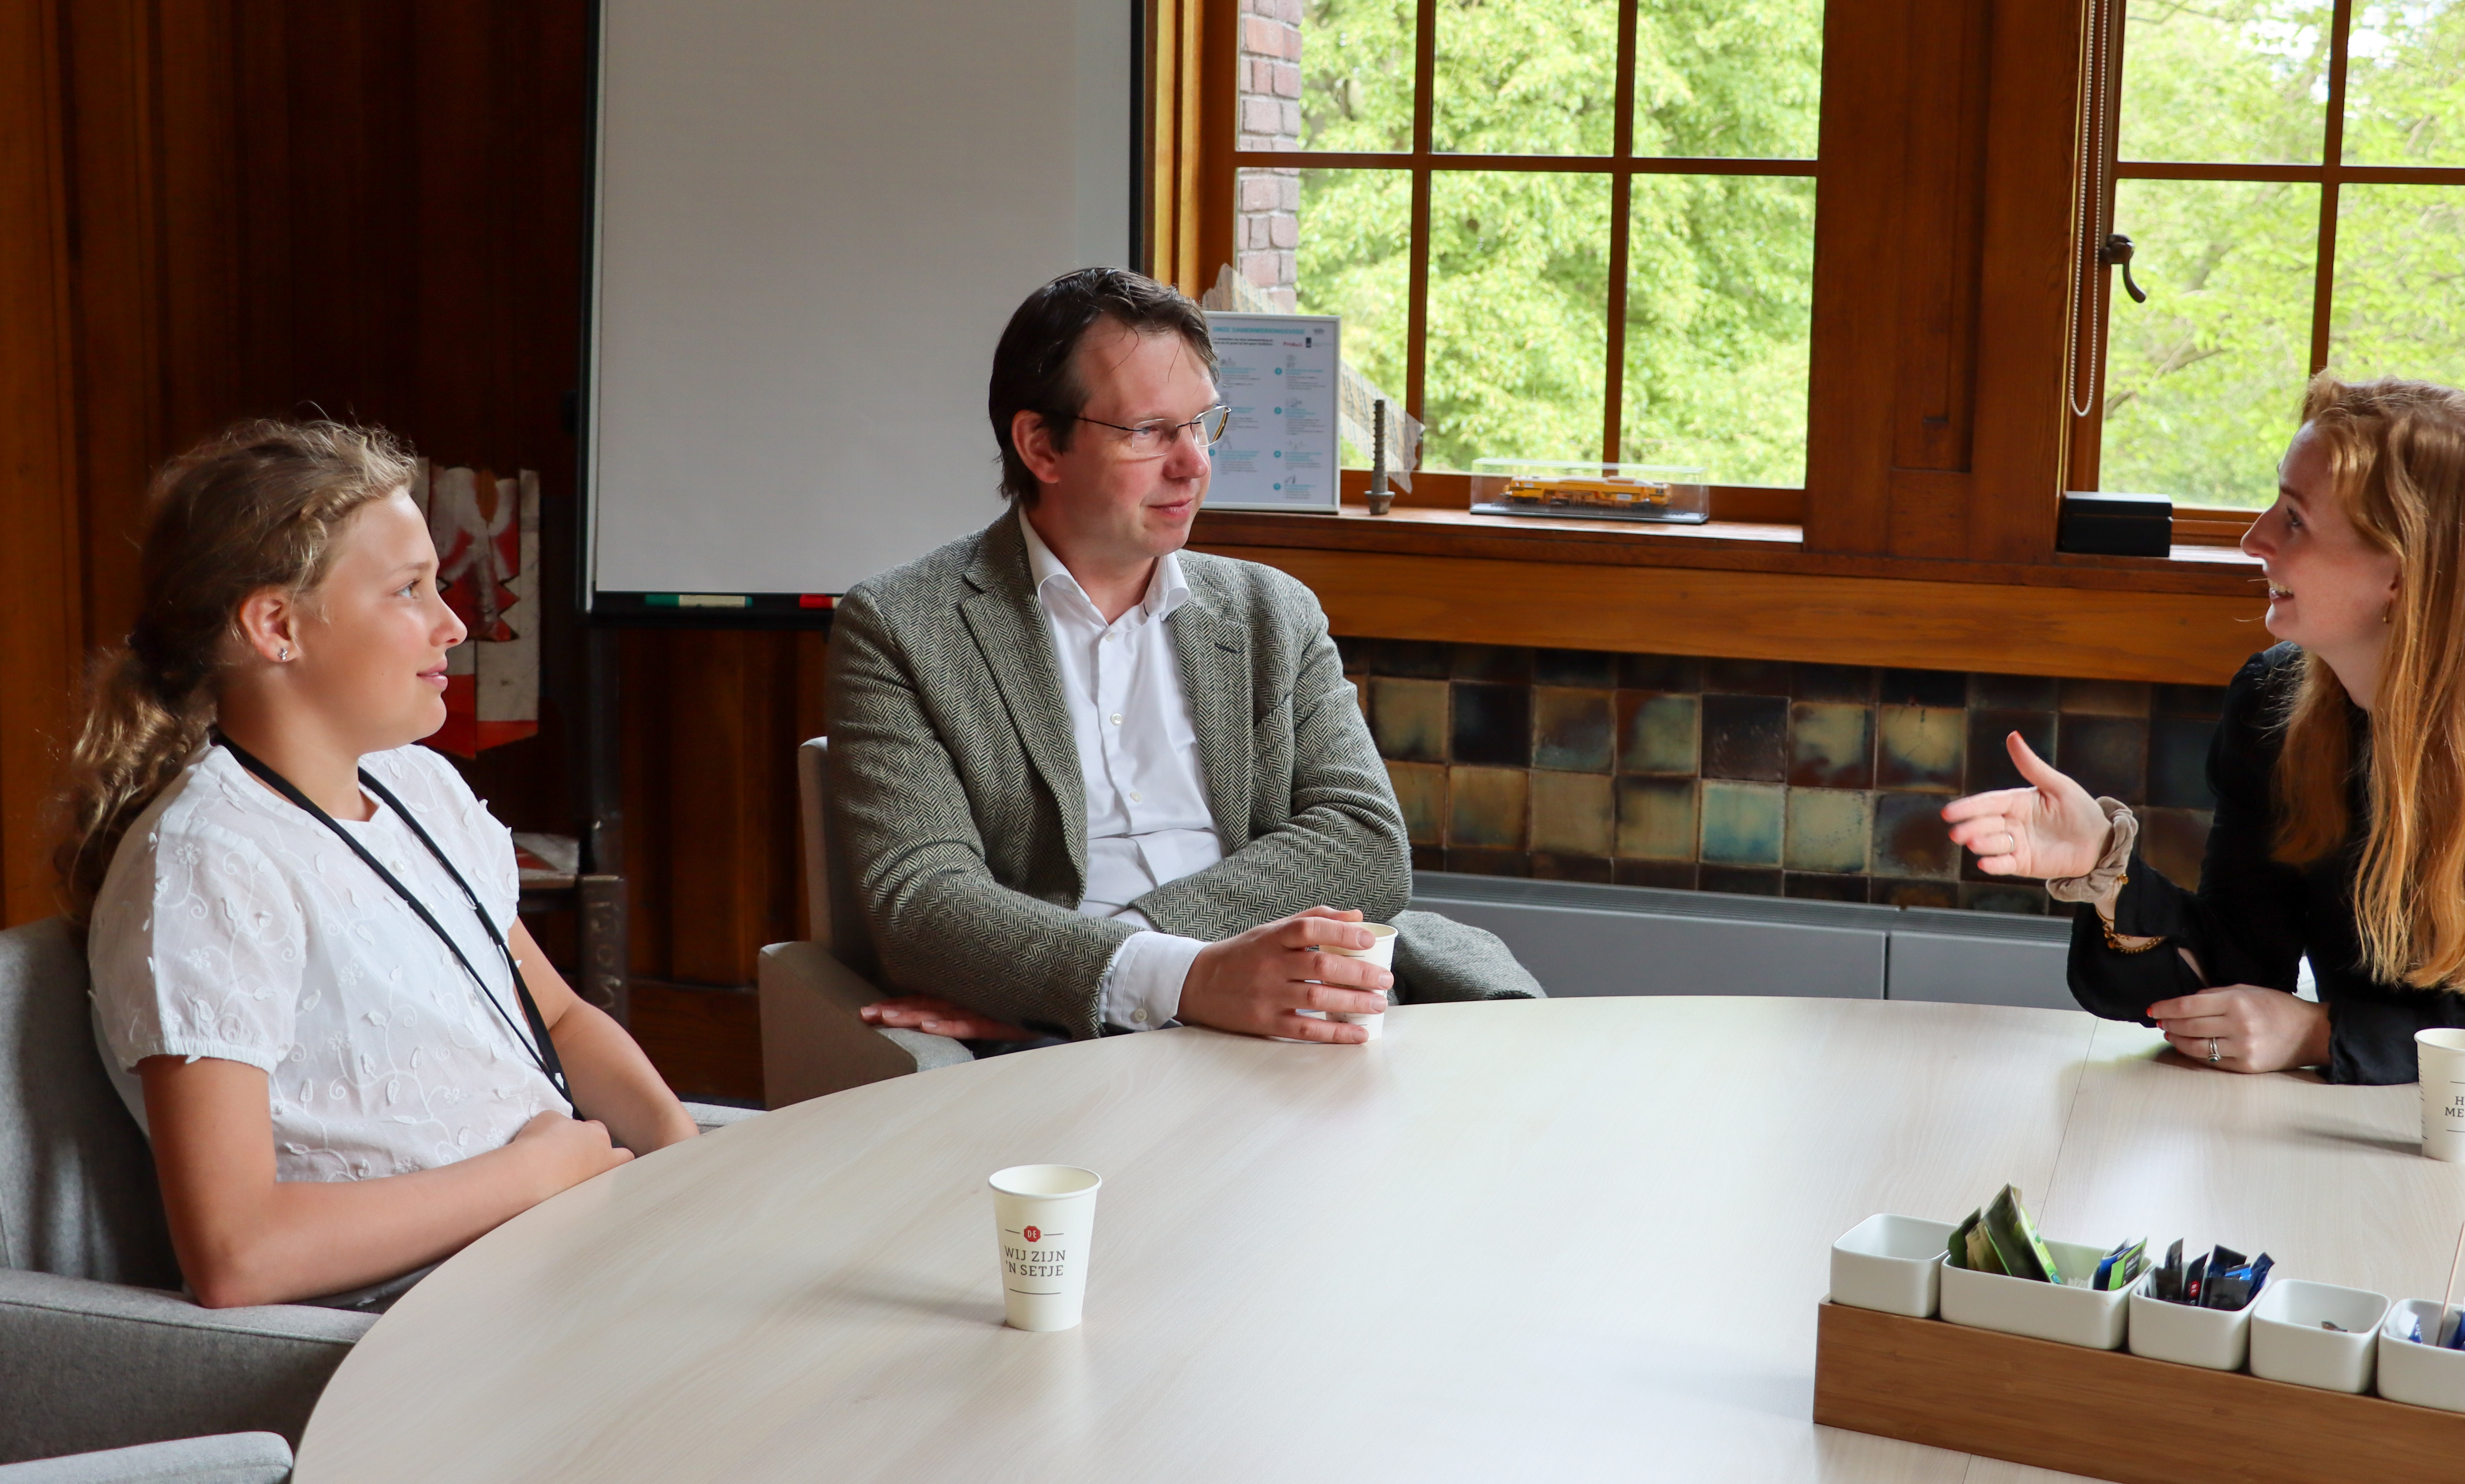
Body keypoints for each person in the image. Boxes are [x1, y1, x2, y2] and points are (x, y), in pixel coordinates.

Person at [59, 421, 698, 1309]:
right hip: (425, 1324)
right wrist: (537, 1172)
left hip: (562, 1243)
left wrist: (688, 1164)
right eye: (409, 591)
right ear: (277, 624)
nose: (454, 622)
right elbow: (237, 1254)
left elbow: (554, 1011)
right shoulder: (207, 868)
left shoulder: (415, 786)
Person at [826, 267, 1539, 1045]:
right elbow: (922, 903)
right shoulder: (903, 626)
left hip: (1288, 1009)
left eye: (1202, 424)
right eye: (1148, 432)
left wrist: (1141, 963)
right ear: (1041, 445)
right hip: (1084, 1044)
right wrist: (1172, 981)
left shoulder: (1274, 612)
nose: (1194, 463)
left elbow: (1364, 843)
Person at [1941, 374, 2465, 1096]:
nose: (2252, 539)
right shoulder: (2272, 700)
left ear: (2403, 571)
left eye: (2294, 519)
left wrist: (2325, 1034)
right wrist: (2103, 868)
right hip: (2367, 1130)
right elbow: (2240, 970)